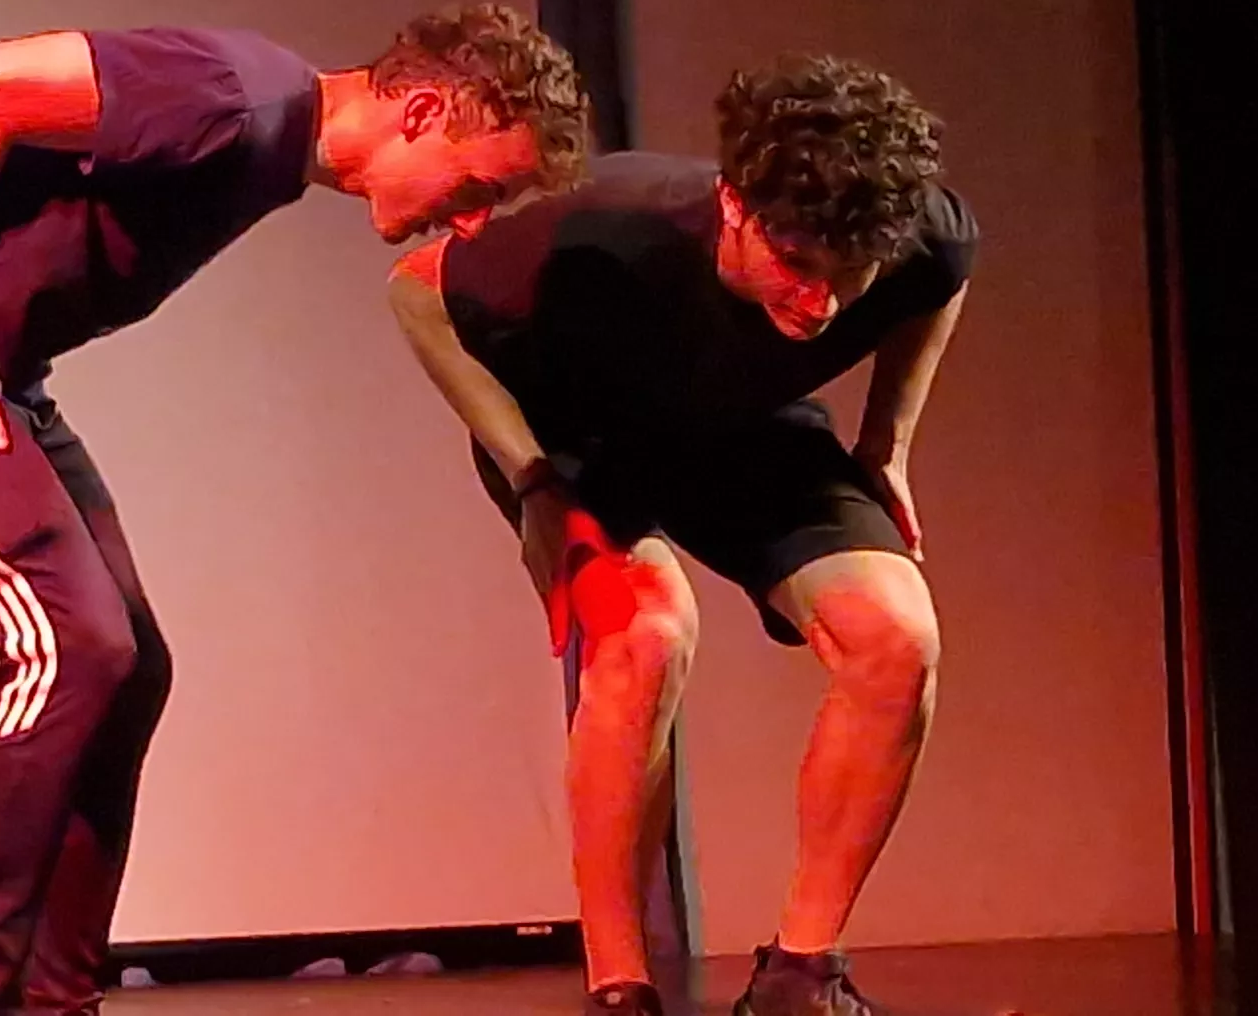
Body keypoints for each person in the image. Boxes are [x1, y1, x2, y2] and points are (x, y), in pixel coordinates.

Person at [0, 7, 593, 1016]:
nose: (468, 220)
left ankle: (57, 1001)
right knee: (67, 648)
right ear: (421, 112)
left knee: (128, 669)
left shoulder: (266, 141)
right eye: (481, 186)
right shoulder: (232, 95)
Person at [387, 56, 971, 1016]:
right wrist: (532, 481)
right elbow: (416, 291)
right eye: (796, 268)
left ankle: (800, 979)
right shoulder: (615, 221)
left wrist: (888, 443)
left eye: (846, 278)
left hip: (738, 429)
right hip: (577, 437)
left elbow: (945, 274)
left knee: (895, 640)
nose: (820, 306)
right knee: (646, 640)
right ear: (737, 208)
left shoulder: (908, 234)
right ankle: (620, 986)